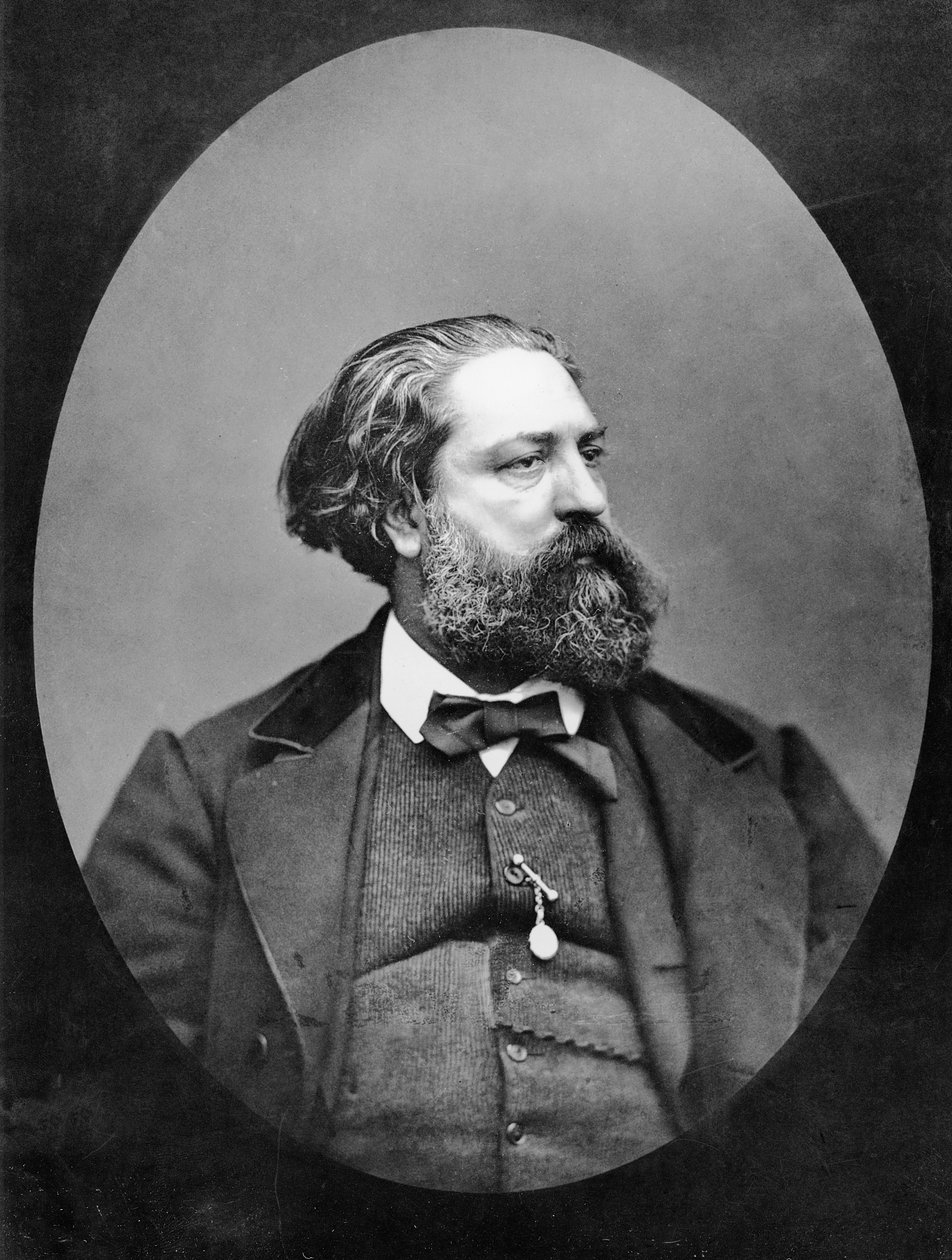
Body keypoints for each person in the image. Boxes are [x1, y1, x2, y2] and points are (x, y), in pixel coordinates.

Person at [83, 314, 884, 1193]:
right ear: (403, 516)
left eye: (588, 453)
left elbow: (868, 1101)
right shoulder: (201, 789)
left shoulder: (769, 779)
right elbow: (118, 1119)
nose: (587, 498)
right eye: (526, 463)